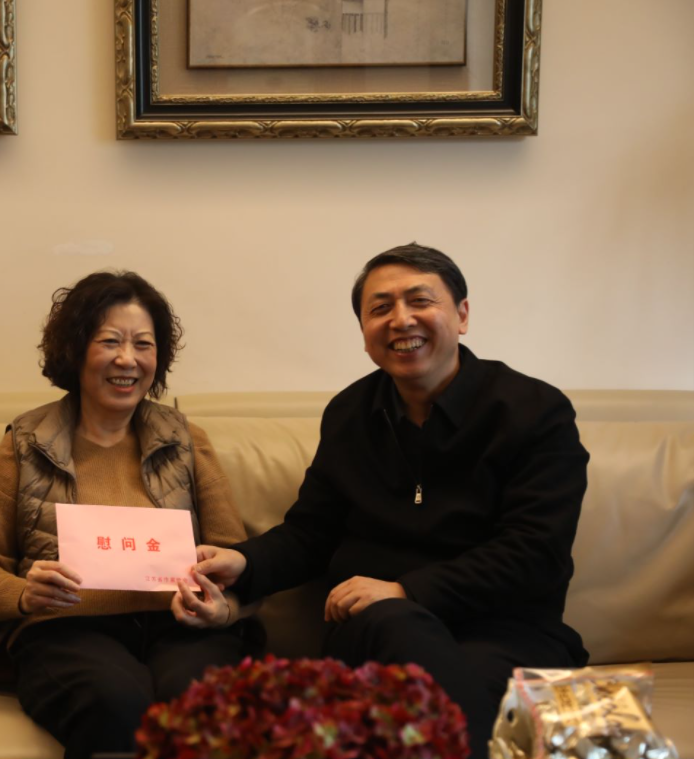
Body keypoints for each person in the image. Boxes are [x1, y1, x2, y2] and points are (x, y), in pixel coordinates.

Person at [196, 244, 590, 759]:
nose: (401, 319)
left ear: (462, 315)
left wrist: (407, 590)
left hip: (505, 631)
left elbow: (535, 551)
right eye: (380, 308)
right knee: (399, 632)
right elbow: (312, 533)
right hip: (373, 633)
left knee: (443, 698)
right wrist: (243, 561)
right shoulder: (350, 413)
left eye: (419, 301)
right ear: (364, 333)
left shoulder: (533, 411)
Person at [0, 271, 254, 759]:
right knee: (115, 702)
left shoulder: (186, 440)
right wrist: (23, 593)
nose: (128, 359)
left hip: (181, 627)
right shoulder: (26, 442)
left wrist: (221, 607)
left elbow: (235, 557)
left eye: (143, 344)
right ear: (76, 349)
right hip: (68, 631)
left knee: (196, 700)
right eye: (110, 341)